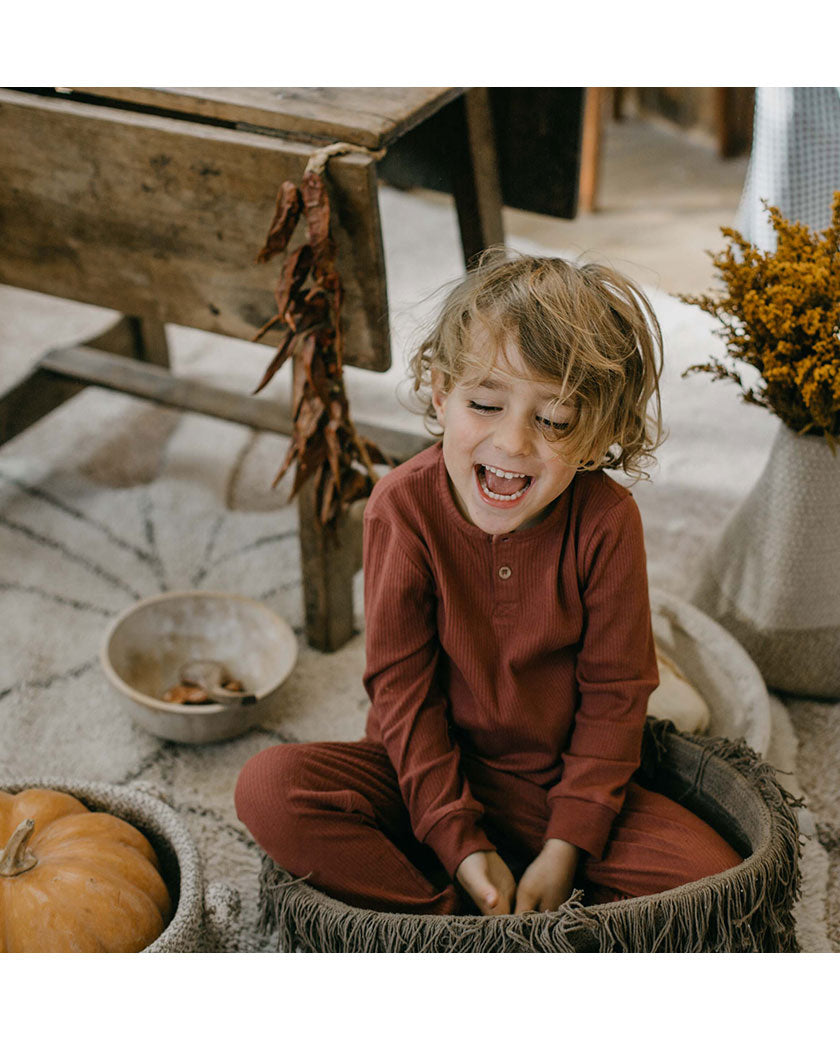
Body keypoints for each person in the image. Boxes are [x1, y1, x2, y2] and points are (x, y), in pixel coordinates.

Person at [235, 250, 742, 916]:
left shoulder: (607, 521)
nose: (513, 443)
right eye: (484, 404)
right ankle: (453, 929)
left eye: (554, 420)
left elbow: (616, 695)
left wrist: (565, 846)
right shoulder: (401, 507)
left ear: (595, 436)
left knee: (719, 884)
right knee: (268, 789)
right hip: (420, 777)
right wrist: (458, 841)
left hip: (554, 785)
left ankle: (509, 907)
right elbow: (402, 693)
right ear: (441, 392)